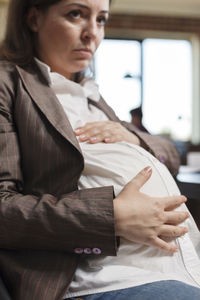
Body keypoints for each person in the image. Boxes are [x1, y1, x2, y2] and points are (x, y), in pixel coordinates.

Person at [0, 0, 199, 300]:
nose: (92, 33)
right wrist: (111, 218)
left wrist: (134, 139)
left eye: (102, 19)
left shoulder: (92, 95)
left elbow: (168, 154)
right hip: (96, 277)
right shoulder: (9, 84)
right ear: (33, 18)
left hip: (174, 268)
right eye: (76, 14)